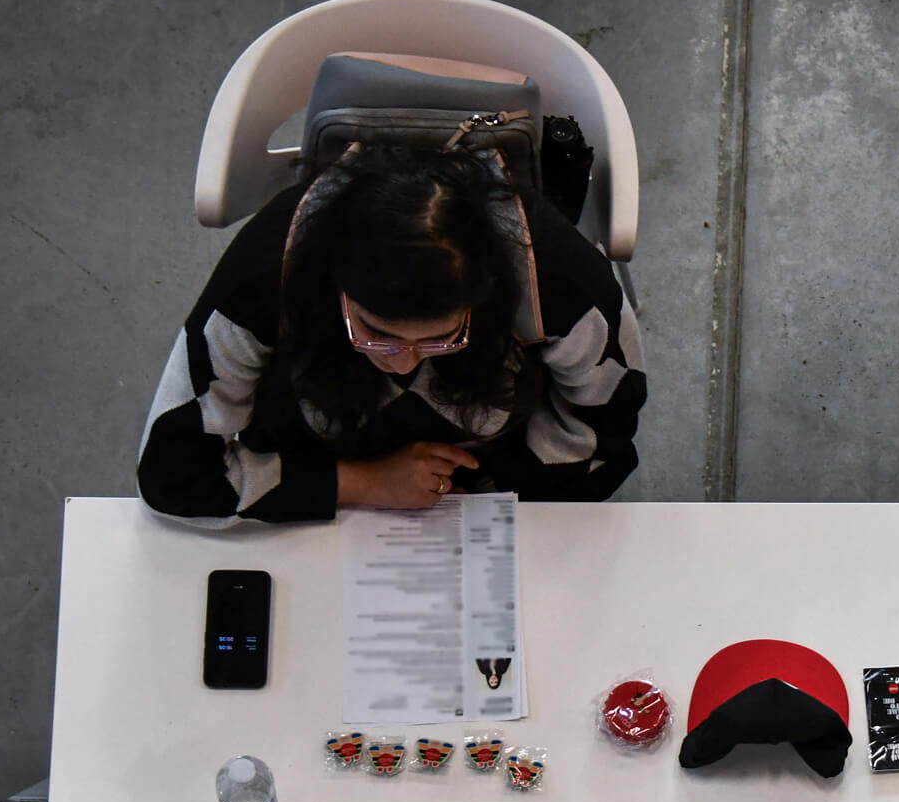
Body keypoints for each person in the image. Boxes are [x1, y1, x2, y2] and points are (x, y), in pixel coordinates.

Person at [139, 142, 646, 525]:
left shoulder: (563, 283)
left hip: (492, 474)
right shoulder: (265, 279)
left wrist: (483, 502)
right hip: (321, 456)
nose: (404, 363)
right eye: (375, 333)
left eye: (439, 338)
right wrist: (360, 484)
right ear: (338, 290)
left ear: (483, 294)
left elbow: (602, 441)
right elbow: (171, 473)